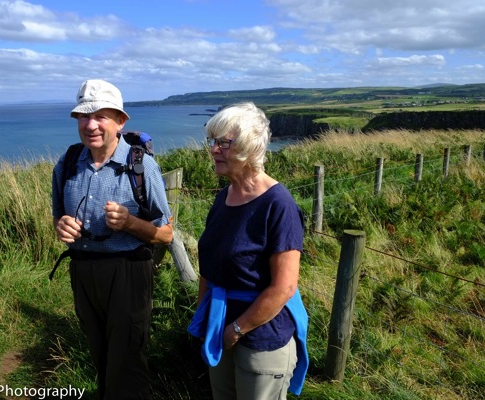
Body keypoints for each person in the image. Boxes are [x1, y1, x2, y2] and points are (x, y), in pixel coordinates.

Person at [52, 79, 173, 400]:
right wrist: (60, 227)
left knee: (128, 359)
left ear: (120, 121)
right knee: (99, 352)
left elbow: (166, 233)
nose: (90, 125)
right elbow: (57, 217)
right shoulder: (66, 165)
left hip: (128, 272)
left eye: (101, 116)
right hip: (81, 271)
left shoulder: (141, 166)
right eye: (82, 116)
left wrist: (131, 223)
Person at [187, 102, 309, 399]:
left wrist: (237, 330)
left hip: (261, 338)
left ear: (251, 148)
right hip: (220, 328)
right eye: (212, 142)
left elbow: (284, 287)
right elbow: (210, 268)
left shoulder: (278, 204)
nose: (214, 150)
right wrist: (206, 319)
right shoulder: (223, 198)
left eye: (223, 143)